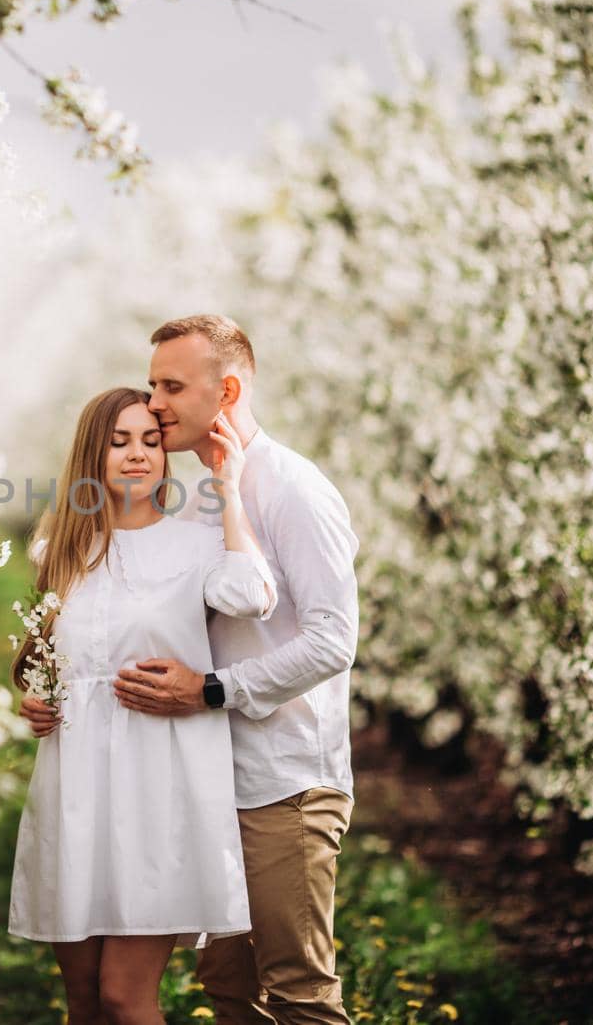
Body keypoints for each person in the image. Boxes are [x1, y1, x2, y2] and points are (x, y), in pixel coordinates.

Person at [20, 315, 360, 1025]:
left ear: (226, 388)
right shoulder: (194, 499)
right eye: (152, 385)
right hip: (200, 775)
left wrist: (210, 691)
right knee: (229, 991)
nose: (158, 402)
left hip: (284, 779)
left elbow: (332, 639)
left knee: (297, 990)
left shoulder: (291, 488)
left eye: (170, 386)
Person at [6, 385, 279, 1025]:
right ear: (91, 456)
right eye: (120, 442)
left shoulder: (195, 544)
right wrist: (35, 697)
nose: (138, 455)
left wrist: (229, 488)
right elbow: (47, 655)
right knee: (83, 1004)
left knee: (125, 1000)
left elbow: (249, 593)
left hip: (158, 782)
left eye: (151, 442)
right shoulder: (61, 551)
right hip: (76, 783)